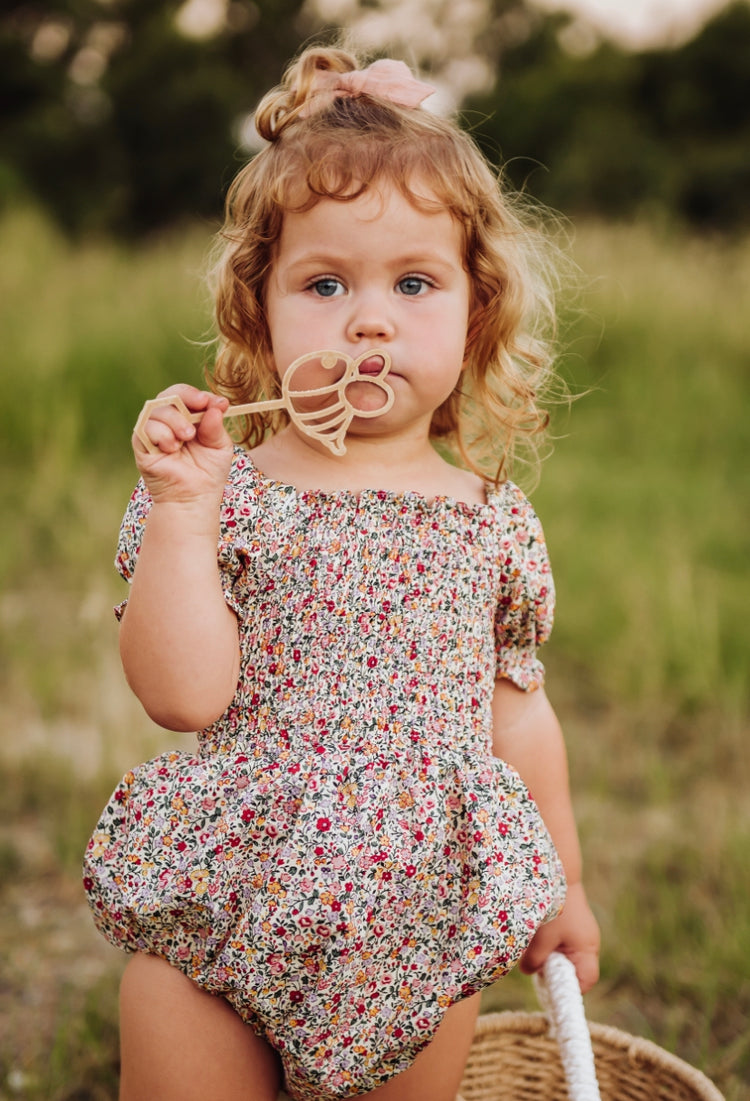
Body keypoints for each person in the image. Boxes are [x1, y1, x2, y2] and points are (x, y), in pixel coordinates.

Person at [83, 43, 600, 1101]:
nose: (370, 320)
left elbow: (519, 719)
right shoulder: (225, 492)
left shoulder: (489, 522)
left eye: (414, 282)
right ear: (259, 310)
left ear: (476, 312)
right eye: (325, 283)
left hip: (418, 924)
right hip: (224, 906)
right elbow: (182, 696)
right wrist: (183, 512)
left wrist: (564, 887)